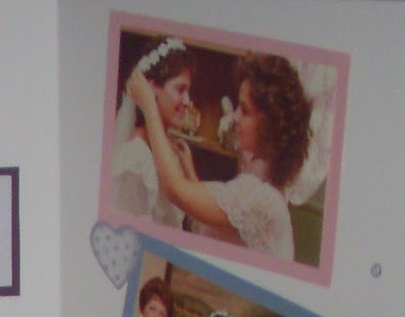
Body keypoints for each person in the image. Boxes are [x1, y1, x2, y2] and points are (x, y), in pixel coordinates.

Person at [128, 52, 313, 261]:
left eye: (244, 110)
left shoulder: (261, 198)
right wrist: (190, 172)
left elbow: (176, 191)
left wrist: (149, 107)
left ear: (269, 125)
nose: (234, 116)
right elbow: (210, 222)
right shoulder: (262, 186)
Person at [110, 37, 197, 228]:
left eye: (188, 91)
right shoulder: (135, 160)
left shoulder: (172, 154)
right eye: (180, 89)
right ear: (152, 89)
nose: (188, 101)